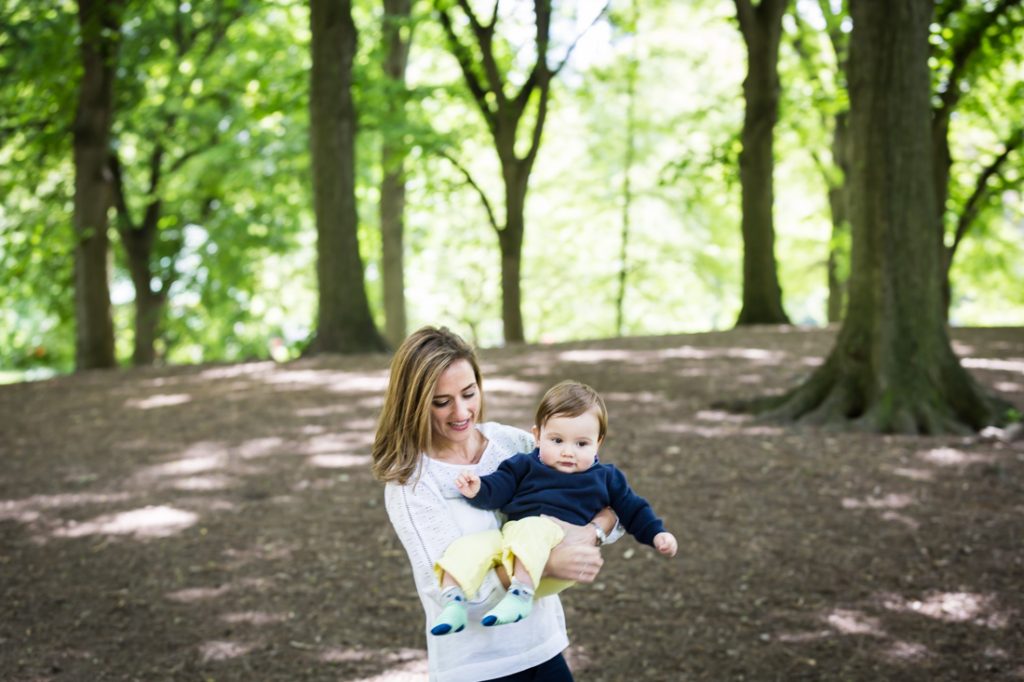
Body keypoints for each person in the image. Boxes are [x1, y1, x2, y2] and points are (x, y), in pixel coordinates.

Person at [372, 326, 621, 682]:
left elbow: (610, 500)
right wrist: (548, 564)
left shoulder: (511, 443)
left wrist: (591, 533)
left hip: (543, 648)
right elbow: (455, 592)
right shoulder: (411, 483)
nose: (461, 411)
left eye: (469, 393)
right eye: (441, 402)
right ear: (413, 403)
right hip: (477, 667)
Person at [430, 380, 678, 636]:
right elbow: (499, 489)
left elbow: (633, 508)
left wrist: (656, 533)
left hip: (558, 547)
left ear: (598, 443)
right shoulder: (523, 465)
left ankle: (521, 594)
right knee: (471, 547)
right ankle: (454, 601)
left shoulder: (605, 477)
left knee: (533, 528)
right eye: (557, 440)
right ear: (537, 436)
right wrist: (479, 489)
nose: (567, 452)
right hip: (515, 539)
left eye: (581, 444)